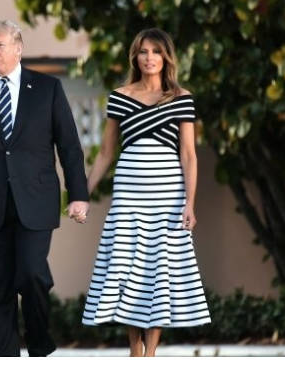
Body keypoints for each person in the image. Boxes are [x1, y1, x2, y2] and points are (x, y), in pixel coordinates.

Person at [0, 20, 90, 357]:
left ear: (18, 47)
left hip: (36, 200)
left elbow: (69, 145)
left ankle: (39, 340)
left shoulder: (47, 88)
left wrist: (79, 195)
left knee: (31, 274)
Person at [81, 28, 211, 356]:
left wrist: (189, 204)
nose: (149, 57)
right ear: (135, 57)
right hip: (129, 195)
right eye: (143, 51)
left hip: (168, 197)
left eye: (155, 51)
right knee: (125, 267)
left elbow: (188, 155)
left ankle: (149, 352)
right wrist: (82, 194)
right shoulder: (120, 96)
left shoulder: (182, 98)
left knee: (159, 271)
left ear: (166, 57)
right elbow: (107, 153)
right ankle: (134, 347)